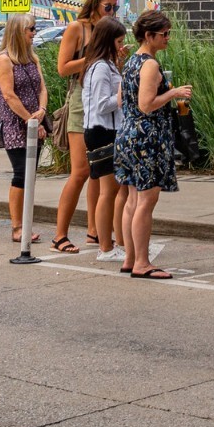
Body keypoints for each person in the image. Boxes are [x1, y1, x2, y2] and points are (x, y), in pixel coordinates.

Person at [116, 10, 188, 279]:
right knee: (146, 200)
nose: (168, 37)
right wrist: (173, 92)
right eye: (164, 34)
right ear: (149, 36)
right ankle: (142, 263)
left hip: (128, 133)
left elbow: (122, 100)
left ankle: (130, 258)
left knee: (133, 199)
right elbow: (146, 105)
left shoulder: (131, 62)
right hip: (148, 137)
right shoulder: (149, 65)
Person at [51, 0, 118, 254]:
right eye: (108, 7)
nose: (112, 11)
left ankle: (94, 230)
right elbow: (62, 68)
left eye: (115, 7)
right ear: (94, 4)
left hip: (102, 100)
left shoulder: (107, 30)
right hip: (81, 101)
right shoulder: (78, 29)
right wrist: (94, 55)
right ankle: (59, 235)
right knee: (80, 171)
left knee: (98, 171)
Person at [0, 14, 49, 250]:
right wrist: (29, 118)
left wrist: (42, 111)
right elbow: (8, 94)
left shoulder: (32, 57)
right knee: (21, 173)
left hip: (36, 122)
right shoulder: (4, 59)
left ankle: (26, 222)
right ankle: (17, 226)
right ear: (18, 31)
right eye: (31, 29)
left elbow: (42, 88)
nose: (34, 33)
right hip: (16, 124)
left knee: (30, 174)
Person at [79, 16, 130, 261]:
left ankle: (114, 242)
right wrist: (123, 94)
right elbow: (102, 105)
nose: (121, 46)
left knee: (113, 190)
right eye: (118, 41)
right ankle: (105, 247)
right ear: (107, 41)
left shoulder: (104, 64)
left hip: (107, 129)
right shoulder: (99, 67)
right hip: (102, 131)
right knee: (108, 191)